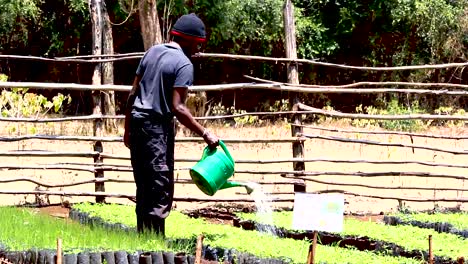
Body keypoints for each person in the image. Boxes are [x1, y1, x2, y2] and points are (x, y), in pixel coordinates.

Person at [123, 13, 219, 237]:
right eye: (198, 44)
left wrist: (127, 129)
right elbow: (178, 107)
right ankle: (155, 246)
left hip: (137, 124)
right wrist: (205, 133)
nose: (198, 50)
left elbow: (132, 94)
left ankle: (143, 242)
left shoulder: (152, 52)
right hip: (156, 129)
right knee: (159, 187)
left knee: (144, 185)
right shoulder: (184, 64)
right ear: (188, 40)